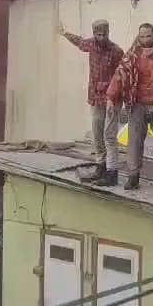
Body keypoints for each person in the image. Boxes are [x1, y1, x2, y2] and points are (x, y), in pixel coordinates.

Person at [106, 23, 153, 191]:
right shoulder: (132, 54)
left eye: (148, 36)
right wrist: (111, 98)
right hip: (138, 104)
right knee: (134, 141)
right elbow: (119, 75)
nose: (145, 40)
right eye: (142, 36)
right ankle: (133, 176)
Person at [59, 20, 124, 186]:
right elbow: (79, 42)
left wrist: (115, 96)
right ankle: (100, 165)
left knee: (109, 136)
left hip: (112, 99)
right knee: (97, 134)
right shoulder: (91, 45)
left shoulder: (116, 51)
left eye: (104, 34)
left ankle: (112, 172)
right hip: (96, 98)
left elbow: (121, 76)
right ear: (94, 34)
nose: (101, 38)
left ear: (108, 33)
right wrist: (64, 33)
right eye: (98, 34)